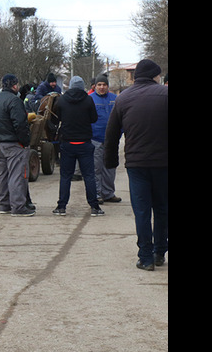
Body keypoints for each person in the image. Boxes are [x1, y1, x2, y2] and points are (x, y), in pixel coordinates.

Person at [104, 59, 168, 271]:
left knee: (142, 211)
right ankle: (160, 251)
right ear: (155, 76)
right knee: (162, 208)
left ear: (135, 77)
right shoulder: (165, 95)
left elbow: (112, 133)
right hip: (163, 163)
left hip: (136, 164)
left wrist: (111, 161)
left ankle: (146, 257)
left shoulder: (123, 99)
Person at [51, 76, 104, 217]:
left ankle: (61, 207)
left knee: (65, 177)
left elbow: (57, 119)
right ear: (82, 86)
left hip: (67, 143)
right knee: (89, 176)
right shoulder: (88, 100)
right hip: (85, 143)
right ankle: (94, 207)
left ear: (70, 86)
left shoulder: (61, 100)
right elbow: (94, 118)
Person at [0, 74, 34, 216]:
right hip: (14, 144)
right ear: (15, 85)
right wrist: (25, 141)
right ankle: (19, 207)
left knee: (2, 175)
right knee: (17, 176)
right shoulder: (15, 101)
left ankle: (4, 205)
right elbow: (20, 124)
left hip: (0, 144)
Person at [89, 73, 121, 204]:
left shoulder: (115, 99)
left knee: (110, 168)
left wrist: (119, 133)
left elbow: (121, 117)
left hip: (111, 141)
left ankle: (108, 193)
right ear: (95, 86)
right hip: (95, 139)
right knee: (96, 168)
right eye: (99, 85)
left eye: (104, 85)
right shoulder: (90, 99)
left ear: (108, 86)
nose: (102, 87)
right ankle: (97, 194)